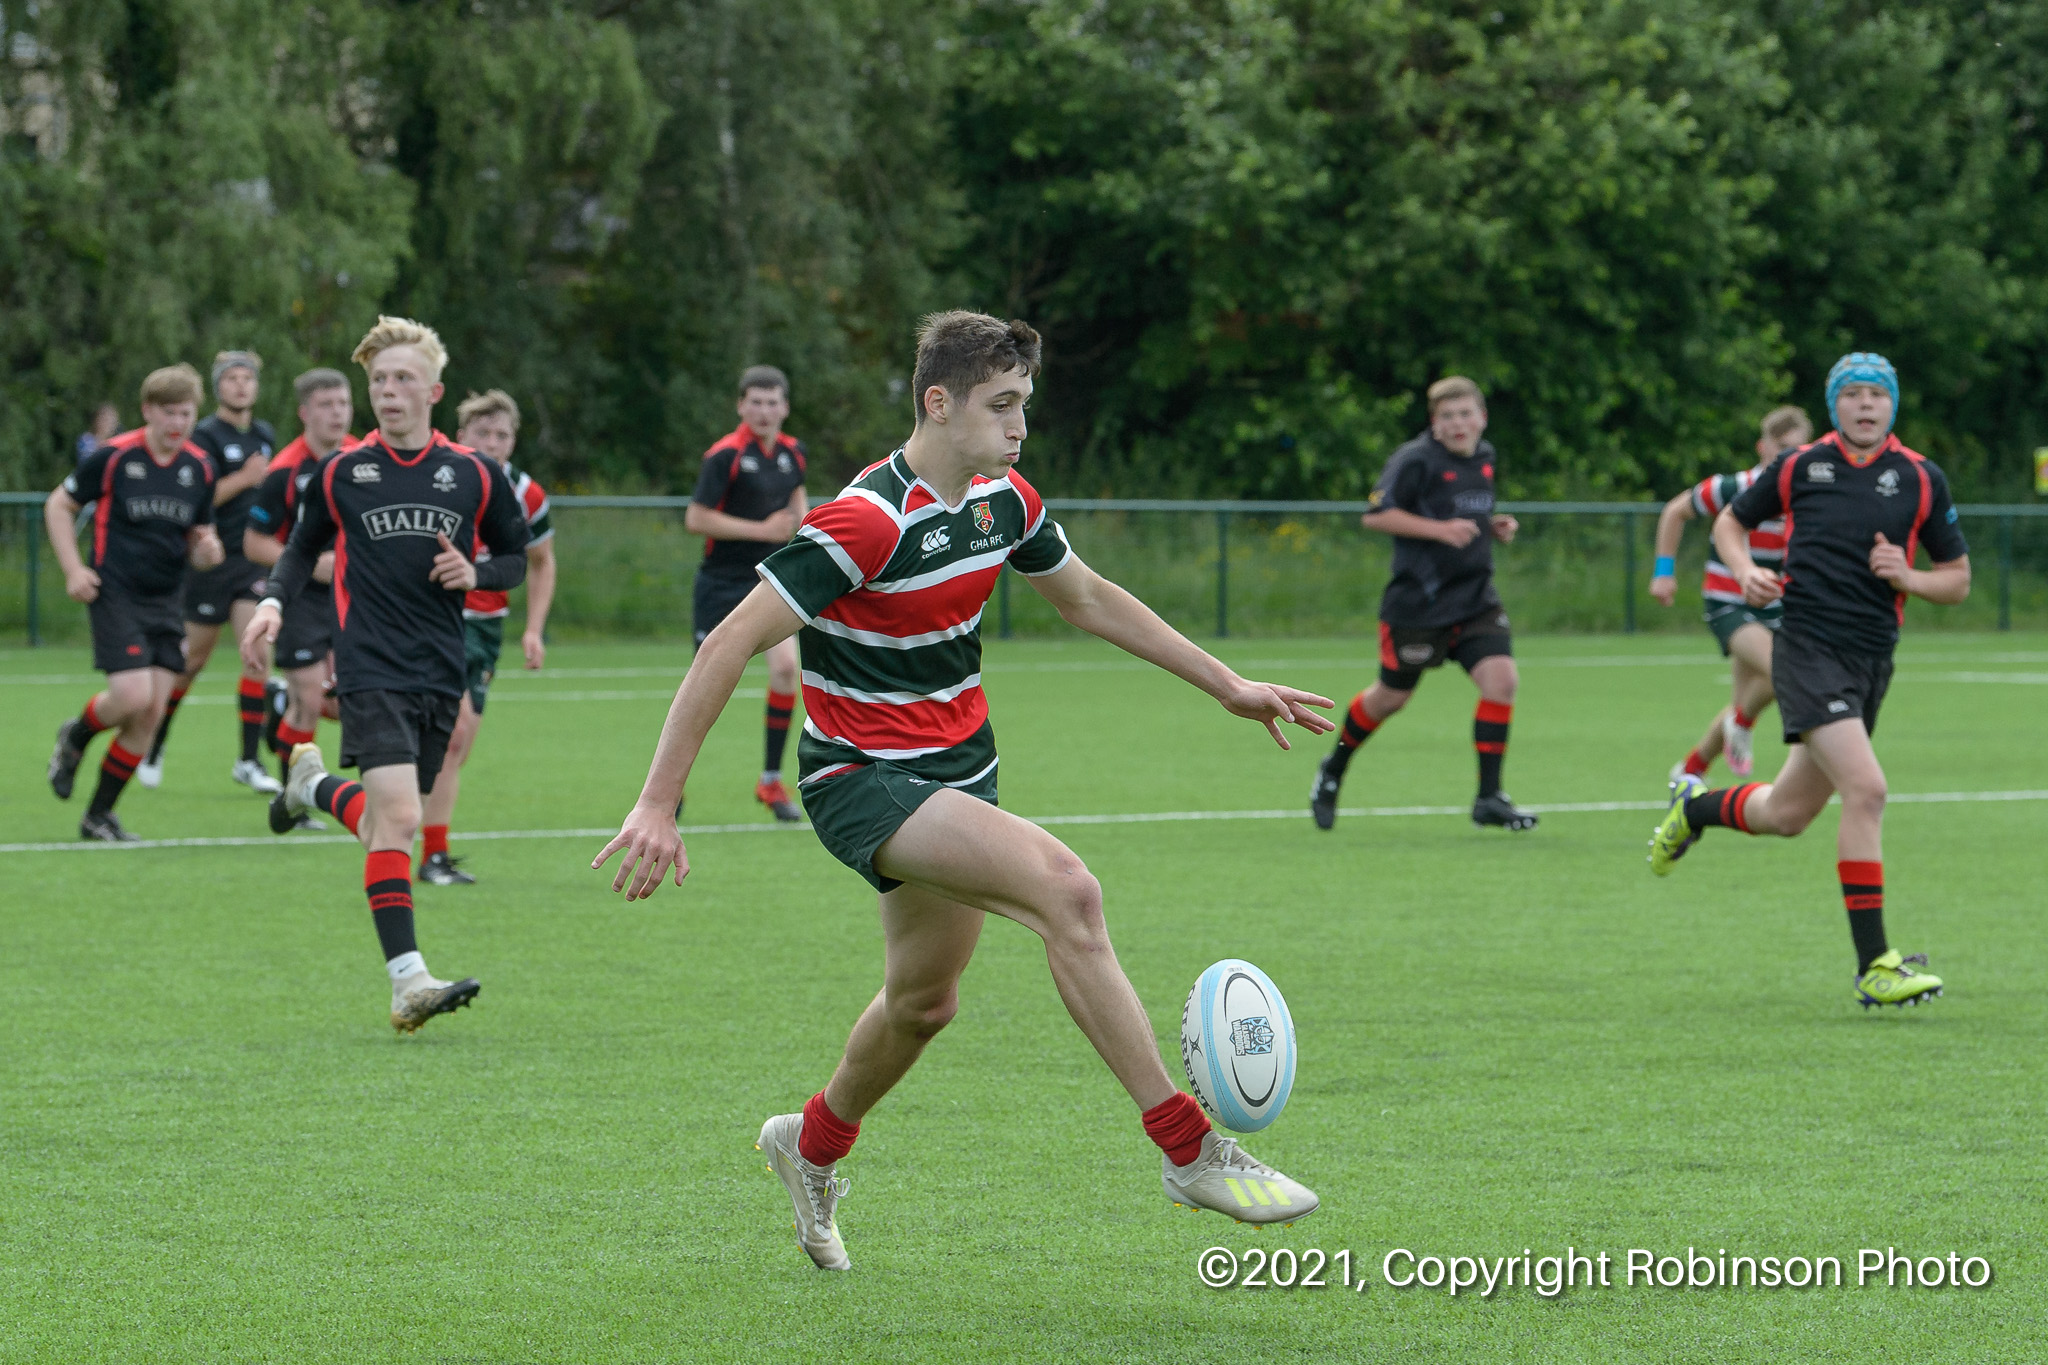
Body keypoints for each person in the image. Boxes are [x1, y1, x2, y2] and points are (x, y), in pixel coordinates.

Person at [594, 311, 1333, 1271]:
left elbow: (1088, 597)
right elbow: (729, 641)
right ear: (939, 403)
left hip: (960, 772)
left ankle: (809, 1145)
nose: (1020, 425)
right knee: (1068, 892)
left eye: (1025, 403)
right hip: (860, 778)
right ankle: (1189, 1149)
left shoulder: (1003, 501)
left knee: (923, 1003)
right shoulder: (865, 520)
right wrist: (658, 801)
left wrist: (1226, 682)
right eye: (1002, 405)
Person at [1648, 353, 1970, 1009]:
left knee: (1787, 814)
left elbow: (1957, 580)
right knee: (1867, 790)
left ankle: (1695, 809)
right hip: (1807, 650)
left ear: (1892, 404)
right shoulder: (1800, 465)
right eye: (1852, 393)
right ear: (1834, 405)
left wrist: (1907, 576)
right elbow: (1730, 521)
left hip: (1871, 660)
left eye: (1876, 394)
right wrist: (1743, 570)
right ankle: (1874, 966)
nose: (1865, 404)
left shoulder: (1921, 477)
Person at [241, 316, 531, 1033]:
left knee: (383, 822)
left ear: (434, 392)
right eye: (378, 380)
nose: (389, 390)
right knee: (400, 820)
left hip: (440, 666)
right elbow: (297, 548)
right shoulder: (342, 472)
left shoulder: (475, 474)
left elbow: (514, 558)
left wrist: (477, 573)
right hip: (367, 664)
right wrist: (272, 603)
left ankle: (310, 787)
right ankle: (408, 981)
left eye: (403, 378)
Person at [1309, 376, 1536, 832]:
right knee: (1391, 698)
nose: (1457, 423)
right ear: (1434, 423)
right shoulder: (1414, 459)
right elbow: (1376, 515)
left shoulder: (1485, 457)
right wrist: (1442, 531)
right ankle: (1332, 770)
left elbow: (1461, 512)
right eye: (1447, 416)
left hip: (1475, 599)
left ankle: (1489, 798)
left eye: (1465, 413)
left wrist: (1492, 527)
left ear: (1482, 417)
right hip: (1419, 604)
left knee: (1502, 680)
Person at [44, 365, 225, 840]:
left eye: (186, 414)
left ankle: (98, 816)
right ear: (148, 410)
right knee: (131, 696)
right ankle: (76, 736)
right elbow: (58, 505)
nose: (178, 423)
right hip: (115, 593)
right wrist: (73, 570)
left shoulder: (201, 468)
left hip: (167, 600)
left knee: (150, 713)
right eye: (169, 412)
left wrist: (208, 553)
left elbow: (200, 541)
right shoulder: (114, 457)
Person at [415, 389, 558, 886]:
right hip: (436, 619)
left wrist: (533, 629)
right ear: (462, 436)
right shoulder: (440, 477)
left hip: (488, 627)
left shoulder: (527, 493)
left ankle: (430, 849)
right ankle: (427, 851)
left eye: (502, 435)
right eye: (483, 433)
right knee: (451, 735)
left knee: (456, 746)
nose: (493, 443)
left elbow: (541, 563)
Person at [1649, 405, 1810, 780]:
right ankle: (1740, 725)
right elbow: (1674, 512)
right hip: (1729, 602)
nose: (1788, 457)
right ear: (1762, 448)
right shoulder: (1735, 487)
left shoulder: (1806, 497)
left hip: (1776, 607)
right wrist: (1663, 573)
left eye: (1797, 450)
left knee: (1745, 700)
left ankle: (1691, 770)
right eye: (1781, 448)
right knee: (1784, 671)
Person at [142, 350, 279, 794]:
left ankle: (248, 760)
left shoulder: (264, 435)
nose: (241, 385)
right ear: (218, 386)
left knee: (256, 653)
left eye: (247, 378)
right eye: (232, 378)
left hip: (251, 561)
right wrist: (244, 478)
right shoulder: (203, 435)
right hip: (211, 561)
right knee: (191, 663)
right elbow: (196, 497)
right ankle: (154, 742)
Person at [683, 365, 808, 820]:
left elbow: (797, 501)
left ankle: (771, 782)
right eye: (755, 402)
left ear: (785, 407)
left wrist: (804, 529)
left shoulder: (793, 452)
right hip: (721, 585)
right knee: (704, 689)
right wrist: (762, 530)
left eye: (772, 402)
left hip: (769, 581)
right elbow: (696, 519)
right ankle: (669, 788)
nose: (764, 410)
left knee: (786, 670)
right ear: (741, 406)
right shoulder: (724, 456)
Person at [244, 368, 355, 808]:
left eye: (343, 403)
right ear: (305, 413)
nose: (337, 413)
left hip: (354, 597)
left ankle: (280, 711)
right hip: (300, 598)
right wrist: (312, 565)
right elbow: (254, 542)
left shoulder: (364, 460)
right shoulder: (284, 471)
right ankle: (294, 795)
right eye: (326, 405)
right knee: (309, 698)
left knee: (342, 706)